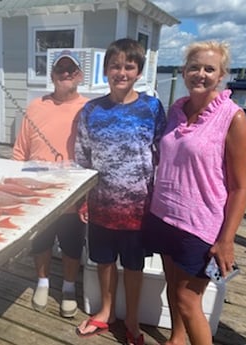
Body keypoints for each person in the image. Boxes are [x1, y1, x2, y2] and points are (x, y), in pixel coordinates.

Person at [143, 41, 246, 345]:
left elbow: (239, 187)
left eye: (209, 69)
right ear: (183, 72)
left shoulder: (234, 117)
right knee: (172, 287)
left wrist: (227, 240)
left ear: (221, 76)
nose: (200, 74)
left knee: (188, 300)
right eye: (194, 67)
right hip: (165, 215)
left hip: (202, 226)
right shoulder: (177, 110)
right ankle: (176, 339)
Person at [74, 38, 166, 345]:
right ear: (106, 70)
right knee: (103, 261)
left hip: (139, 209)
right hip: (100, 205)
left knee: (134, 265)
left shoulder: (151, 107)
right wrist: (82, 200)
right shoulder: (91, 110)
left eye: (129, 66)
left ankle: (132, 320)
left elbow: (162, 152)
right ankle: (107, 311)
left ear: (139, 71)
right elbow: (82, 157)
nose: (121, 72)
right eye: (115, 65)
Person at [12, 50, 89, 318]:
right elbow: (20, 150)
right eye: (60, 69)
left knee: (71, 243)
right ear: (52, 75)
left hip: (73, 192)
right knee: (41, 242)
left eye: (71, 69)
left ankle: (68, 286)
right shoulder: (35, 106)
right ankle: (42, 281)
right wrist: (17, 183)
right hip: (38, 192)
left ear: (79, 75)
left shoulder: (89, 108)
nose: (65, 74)